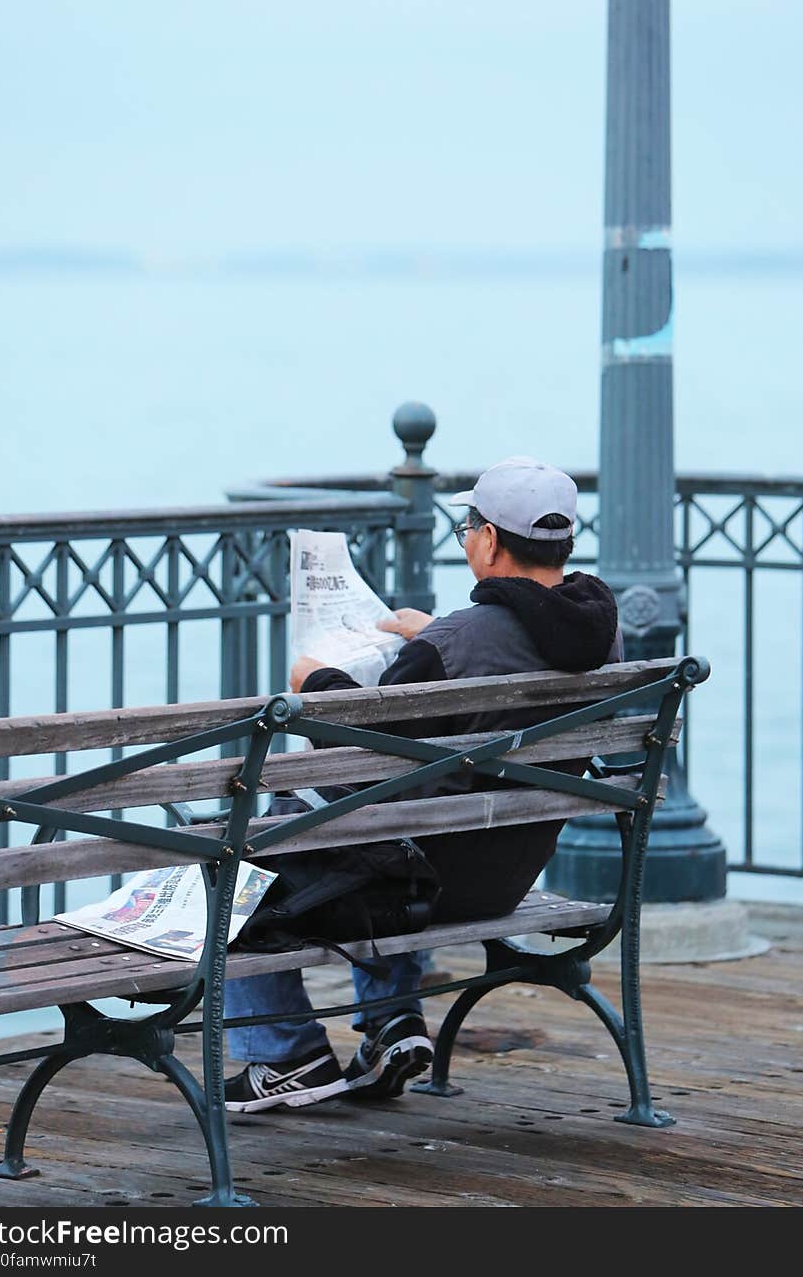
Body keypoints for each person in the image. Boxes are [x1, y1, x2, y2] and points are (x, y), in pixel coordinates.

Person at [223, 456, 623, 1113]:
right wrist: (430, 635)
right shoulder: (603, 638)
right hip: (507, 875)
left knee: (235, 867)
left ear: (490, 540)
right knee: (404, 820)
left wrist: (315, 685)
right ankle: (391, 1024)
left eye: (469, 525)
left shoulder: (457, 645)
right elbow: (501, 655)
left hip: (414, 886)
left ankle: (285, 1055)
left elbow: (365, 756)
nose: (466, 537)